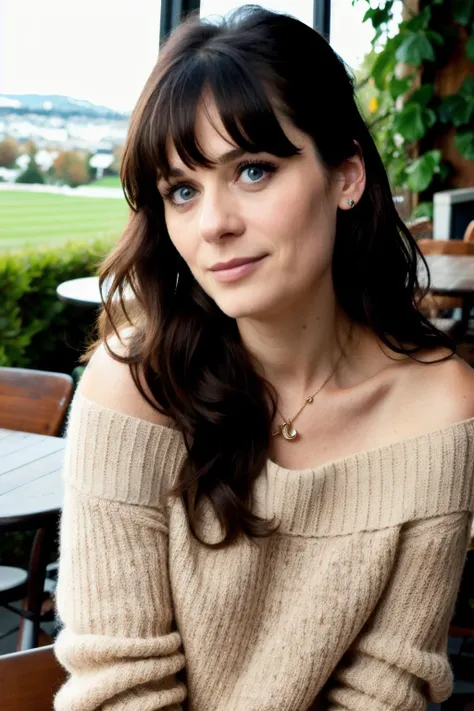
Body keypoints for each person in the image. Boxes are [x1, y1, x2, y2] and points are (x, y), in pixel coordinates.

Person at [53, 6, 474, 711]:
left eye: (253, 170)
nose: (214, 222)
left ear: (345, 175)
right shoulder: (132, 387)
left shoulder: (440, 410)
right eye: (181, 189)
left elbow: (386, 690)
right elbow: (117, 688)